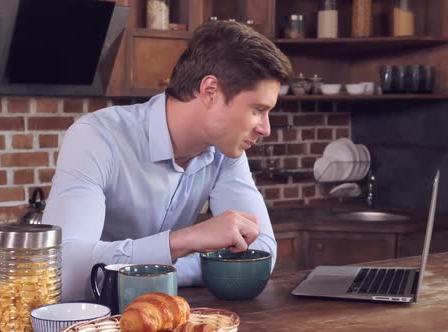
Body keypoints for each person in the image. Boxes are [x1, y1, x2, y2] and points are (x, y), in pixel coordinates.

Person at [43, 20, 293, 301]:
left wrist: (157, 272)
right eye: (258, 110)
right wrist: (184, 241)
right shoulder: (98, 136)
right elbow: (61, 271)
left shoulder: (226, 151)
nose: (266, 128)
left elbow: (262, 254)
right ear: (210, 91)